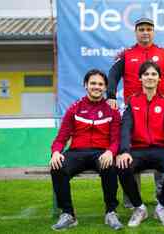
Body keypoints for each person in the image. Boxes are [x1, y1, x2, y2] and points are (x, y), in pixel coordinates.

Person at [108, 17, 164, 207]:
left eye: (149, 29)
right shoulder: (126, 54)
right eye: (141, 29)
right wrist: (111, 95)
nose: (145, 32)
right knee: (131, 148)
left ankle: (161, 197)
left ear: (154, 32)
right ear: (136, 32)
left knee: (162, 146)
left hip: (160, 111)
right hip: (133, 110)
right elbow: (112, 75)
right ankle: (131, 199)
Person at [49, 69, 123, 230]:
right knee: (57, 166)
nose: (97, 87)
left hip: (101, 152)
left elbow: (116, 139)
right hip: (77, 152)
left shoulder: (113, 110)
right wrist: (55, 152)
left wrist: (110, 151)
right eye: (93, 83)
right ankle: (68, 214)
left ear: (105, 88)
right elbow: (61, 138)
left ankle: (111, 212)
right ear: (85, 85)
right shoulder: (74, 109)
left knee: (110, 166)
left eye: (100, 84)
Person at [116, 61, 164, 227]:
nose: (150, 77)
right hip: (137, 150)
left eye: (154, 74)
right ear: (140, 78)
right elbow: (125, 128)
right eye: (146, 74)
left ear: (160, 78)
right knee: (122, 166)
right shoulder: (132, 101)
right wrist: (124, 151)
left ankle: (162, 207)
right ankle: (139, 208)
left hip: (161, 150)